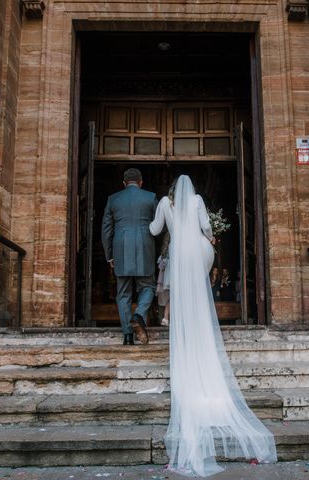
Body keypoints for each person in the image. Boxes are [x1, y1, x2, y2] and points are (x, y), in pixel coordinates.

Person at [149, 175, 277, 477]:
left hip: (180, 253)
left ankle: (181, 331)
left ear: (170, 192)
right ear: (191, 190)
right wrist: (210, 237)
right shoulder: (195, 201)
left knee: (180, 294)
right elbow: (207, 227)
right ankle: (200, 334)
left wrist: (151, 223)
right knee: (198, 291)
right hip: (198, 250)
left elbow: (155, 230)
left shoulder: (165, 204)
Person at [101, 168, 157, 346]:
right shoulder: (150, 197)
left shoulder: (113, 199)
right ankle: (139, 315)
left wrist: (109, 255)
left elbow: (106, 230)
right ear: (141, 182)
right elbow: (158, 227)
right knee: (147, 286)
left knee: (123, 293)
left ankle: (127, 335)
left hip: (121, 249)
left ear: (124, 183)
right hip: (144, 246)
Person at [156, 232, 171, 326]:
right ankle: (165, 318)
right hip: (170, 279)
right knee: (172, 298)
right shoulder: (173, 251)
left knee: (168, 299)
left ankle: (165, 318)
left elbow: (160, 266)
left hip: (164, 280)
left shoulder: (163, 255)